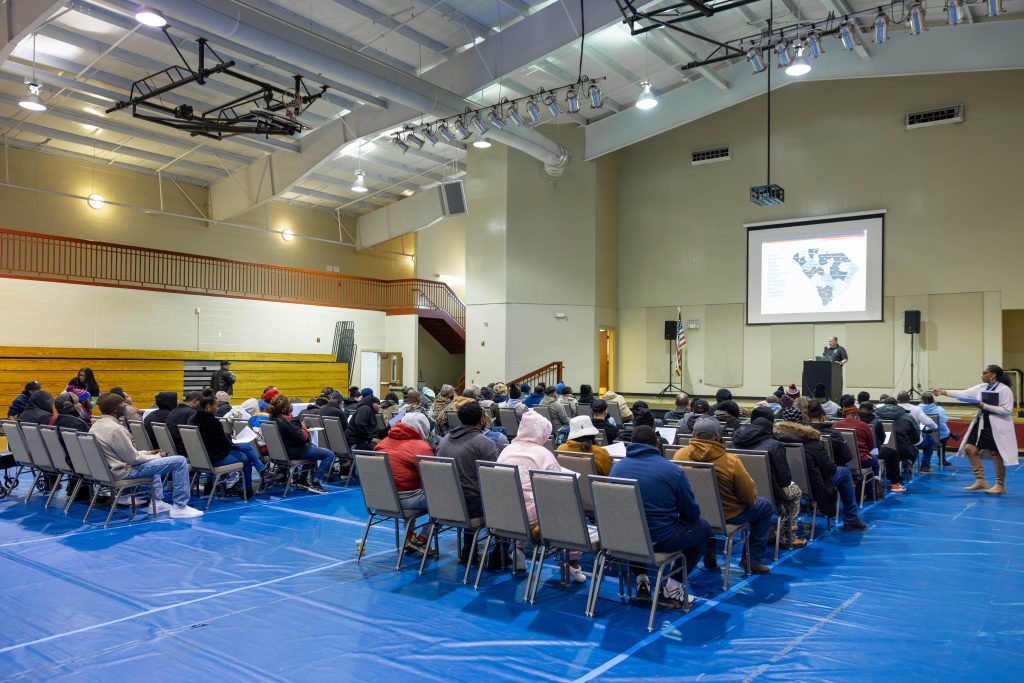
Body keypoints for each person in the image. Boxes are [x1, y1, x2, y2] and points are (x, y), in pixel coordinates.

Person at [612, 425, 710, 607]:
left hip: (626, 539)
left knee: (633, 524)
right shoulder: (672, 470)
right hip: (661, 539)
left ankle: (641, 579)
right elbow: (692, 513)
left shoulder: (617, 469)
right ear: (657, 443)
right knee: (703, 528)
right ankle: (673, 585)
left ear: (631, 443)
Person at [674, 417, 773, 573]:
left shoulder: (679, 455)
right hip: (729, 516)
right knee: (765, 506)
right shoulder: (731, 461)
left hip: (692, 513)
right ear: (717, 436)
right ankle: (752, 560)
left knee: (704, 505)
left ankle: (709, 553)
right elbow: (748, 496)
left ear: (693, 434)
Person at [497, 410, 583, 578]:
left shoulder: (506, 450)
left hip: (503, 513)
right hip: (533, 519)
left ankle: (518, 549)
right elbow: (559, 488)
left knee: (522, 499)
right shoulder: (544, 454)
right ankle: (572, 562)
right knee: (569, 508)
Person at [89, 392, 203, 518]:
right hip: (123, 472)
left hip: (110, 471)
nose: (125, 406)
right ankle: (180, 507)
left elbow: (122, 453)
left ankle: (157, 502)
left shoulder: (96, 425)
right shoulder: (116, 429)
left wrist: (149, 453)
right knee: (180, 461)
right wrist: (157, 456)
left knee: (154, 462)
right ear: (115, 409)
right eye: (122, 403)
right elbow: (134, 459)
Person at [776, 406, 866, 531]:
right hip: (814, 486)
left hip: (787, 486)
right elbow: (831, 469)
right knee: (844, 471)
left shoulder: (776, 440)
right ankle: (851, 519)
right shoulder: (812, 441)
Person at [934, 365, 1018, 495]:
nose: (982, 375)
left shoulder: (1004, 390)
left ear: (993, 375)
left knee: (996, 454)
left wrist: (984, 405)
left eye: (985, 373)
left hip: (996, 424)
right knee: (970, 449)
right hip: (982, 421)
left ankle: (1000, 485)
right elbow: (964, 393)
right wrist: (943, 392)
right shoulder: (981, 387)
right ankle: (980, 480)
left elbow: (1007, 410)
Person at [435, 401, 499, 563]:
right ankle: (501, 554)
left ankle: (469, 549)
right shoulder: (485, 443)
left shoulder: (444, 440)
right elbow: (494, 479)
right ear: (481, 420)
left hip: (443, 502)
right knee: (506, 502)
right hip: (471, 506)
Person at [731, 414, 806, 549]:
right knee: (796, 492)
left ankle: (771, 530)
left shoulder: (733, 442)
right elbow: (785, 480)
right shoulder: (774, 445)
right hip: (771, 494)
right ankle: (787, 536)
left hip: (740, 493)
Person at [373, 412, 435, 554]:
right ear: (422, 428)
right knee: (447, 502)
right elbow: (433, 480)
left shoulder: (382, 443)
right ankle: (421, 539)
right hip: (405, 500)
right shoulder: (420, 447)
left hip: (380, 499)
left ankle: (409, 537)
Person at [190, 393, 270, 498]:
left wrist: (228, 437)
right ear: (209, 406)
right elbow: (224, 445)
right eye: (216, 405)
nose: (217, 408)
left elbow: (213, 438)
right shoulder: (213, 422)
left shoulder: (192, 420)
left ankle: (261, 473)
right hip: (214, 458)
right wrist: (231, 441)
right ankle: (248, 488)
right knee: (245, 457)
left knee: (244, 447)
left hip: (199, 458)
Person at [804, 400, 866, 530]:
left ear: (807, 418)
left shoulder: (798, 435)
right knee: (845, 471)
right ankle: (851, 518)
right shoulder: (833, 434)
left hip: (802, 480)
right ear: (824, 417)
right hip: (819, 479)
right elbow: (847, 457)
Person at [265, 393, 334, 494]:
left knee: (313, 449)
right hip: (293, 452)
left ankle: (302, 479)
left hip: (280, 453)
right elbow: (301, 438)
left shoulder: (271, 418)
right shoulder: (287, 420)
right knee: (329, 454)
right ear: (285, 406)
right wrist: (304, 428)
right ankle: (316, 482)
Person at [917, 392, 950, 472]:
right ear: (933, 400)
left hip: (920, 437)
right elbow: (945, 422)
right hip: (938, 437)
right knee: (945, 434)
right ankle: (942, 459)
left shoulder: (916, 409)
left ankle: (909, 462)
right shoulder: (940, 410)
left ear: (921, 400)